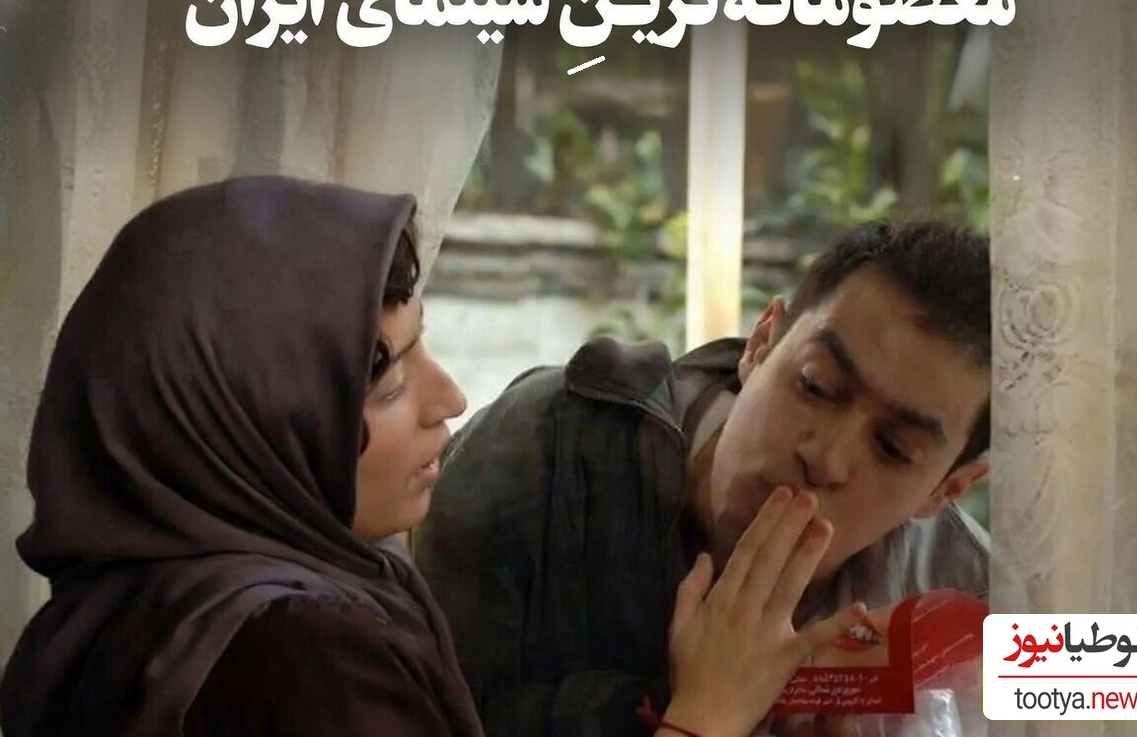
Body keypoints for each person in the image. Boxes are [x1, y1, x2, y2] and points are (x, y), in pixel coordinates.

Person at [0, 175, 862, 737]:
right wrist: (708, 714)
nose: (447, 398)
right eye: (386, 382)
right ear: (239, 422)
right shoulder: (298, 660)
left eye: (423, 347)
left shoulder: (128, 601)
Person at [412, 219, 993, 736]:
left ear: (946, 490)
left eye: (893, 448)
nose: (826, 459)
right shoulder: (545, 447)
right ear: (761, 343)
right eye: (815, 386)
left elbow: (1052, 703)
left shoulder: (993, 602)